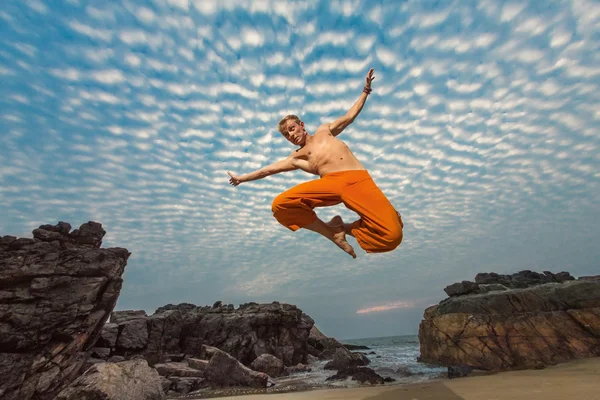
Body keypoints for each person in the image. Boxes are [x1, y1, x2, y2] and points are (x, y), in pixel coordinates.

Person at [227, 68, 403, 258]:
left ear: (302, 125)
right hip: (331, 184)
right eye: (287, 134)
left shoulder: (324, 130)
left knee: (392, 235)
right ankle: (331, 233)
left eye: (292, 129)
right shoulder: (297, 157)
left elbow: (349, 116)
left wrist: (365, 91)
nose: (291, 135)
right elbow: (267, 171)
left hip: (359, 180)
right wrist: (242, 178)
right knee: (281, 204)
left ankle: (342, 227)